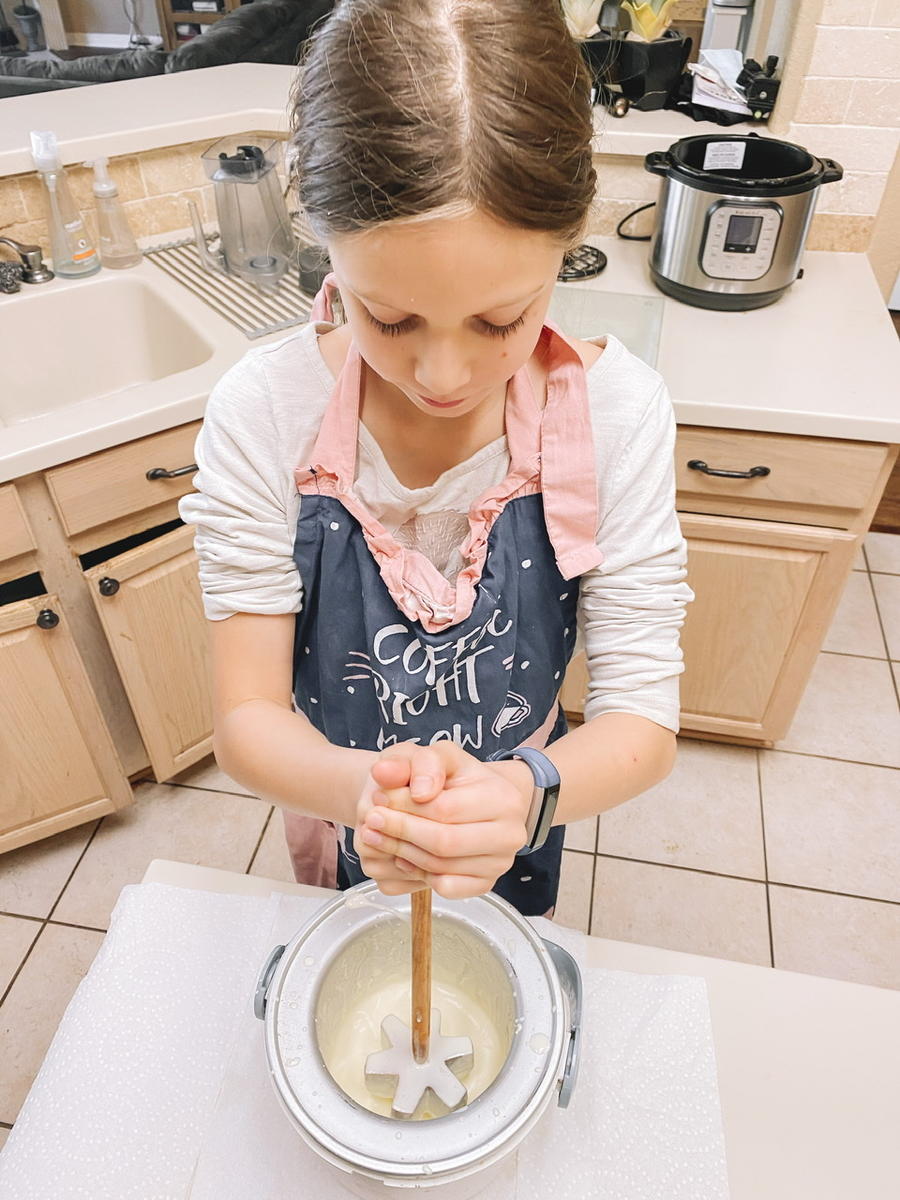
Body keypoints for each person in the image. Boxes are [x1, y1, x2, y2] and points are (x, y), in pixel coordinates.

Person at [178, 0, 693, 918]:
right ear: (322, 237)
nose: (442, 377)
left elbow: (641, 722)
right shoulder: (267, 412)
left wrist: (518, 798)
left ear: (570, 240)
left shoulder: (617, 415)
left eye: (501, 320)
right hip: (339, 800)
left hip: (523, 800)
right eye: (389, 318)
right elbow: (248, 720)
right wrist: (368, 800)